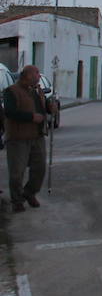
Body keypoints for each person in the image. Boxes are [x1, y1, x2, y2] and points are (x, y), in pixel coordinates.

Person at [3, 65, 48, 211]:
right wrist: (31, 117)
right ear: (27, 75)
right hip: (18, 138)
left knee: (39, 168)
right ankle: (17, 200)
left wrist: (49, 107)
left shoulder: (35, 91)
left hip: (37, 136)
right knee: (17, 172)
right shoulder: (11, 91)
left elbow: (43, 108)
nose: (38, 76)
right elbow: (10, 112)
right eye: (36, 73)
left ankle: (29, 192)